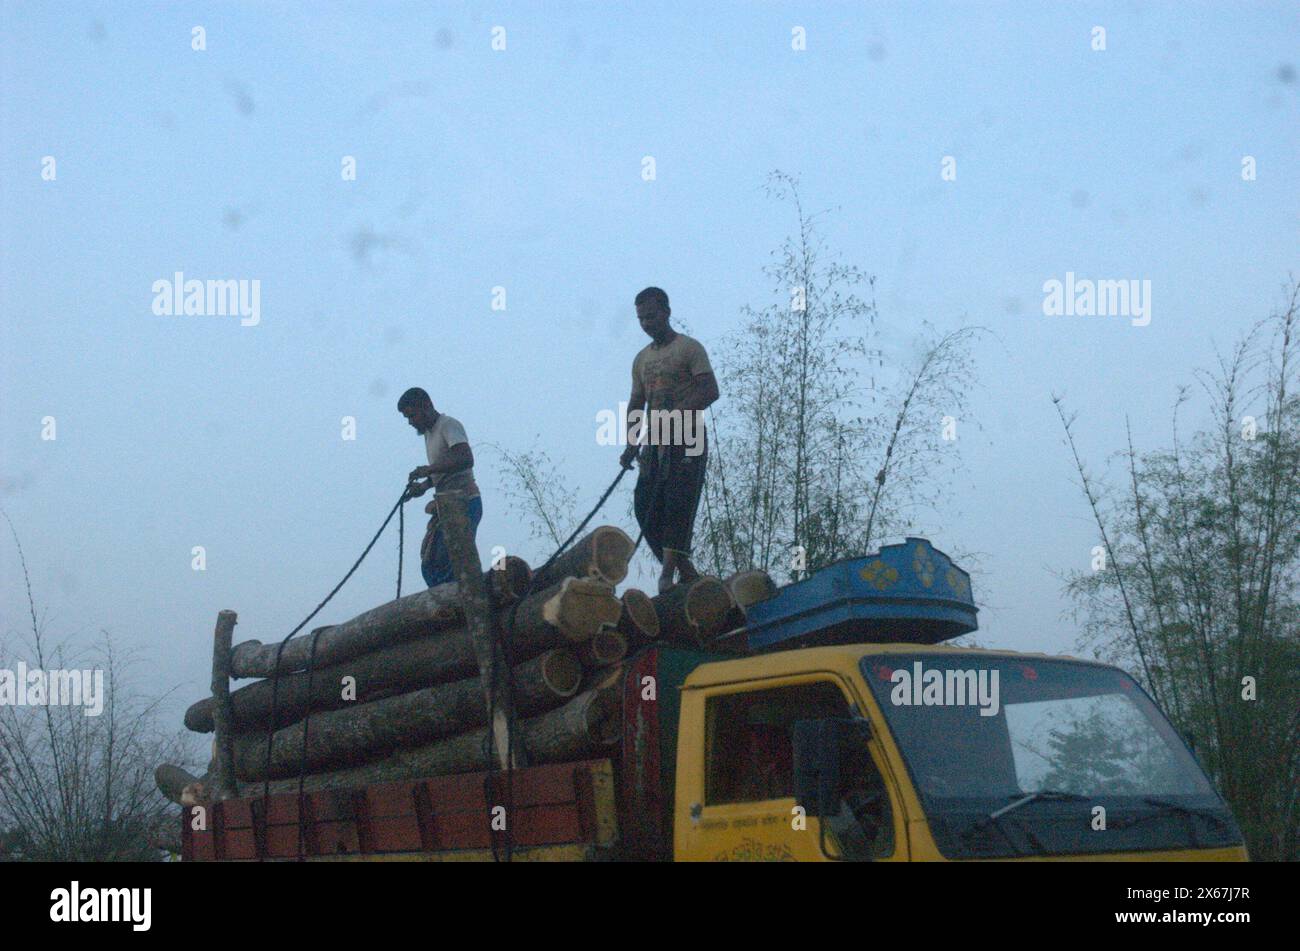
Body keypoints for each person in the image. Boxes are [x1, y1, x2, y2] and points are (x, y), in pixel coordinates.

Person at [619, 287, 719, 593]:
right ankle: (685, 570)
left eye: (651, 315)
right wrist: (631, 442)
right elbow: (637, 403)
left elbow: (709, 390)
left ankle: (667, 575)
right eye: (641, 318)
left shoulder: (689, 349)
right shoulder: (640, 360)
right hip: (656, 444)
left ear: (666, 312)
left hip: (688, 438)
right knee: (645, 505)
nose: (646, 323)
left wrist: (676, 414)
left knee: (679, 504)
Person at [397, 387, 482, 588]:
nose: (410, 422)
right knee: (431, 564)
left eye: (411, 415)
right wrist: (424, 486)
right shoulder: (429, 434)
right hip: (446, 506)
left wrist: (429, 469)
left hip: (464, 502)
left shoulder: (448, 425)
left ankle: (457, 607)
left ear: (426, 406)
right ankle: (449, 606)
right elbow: (445, 471)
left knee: (451, 563)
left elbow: (465, 458)